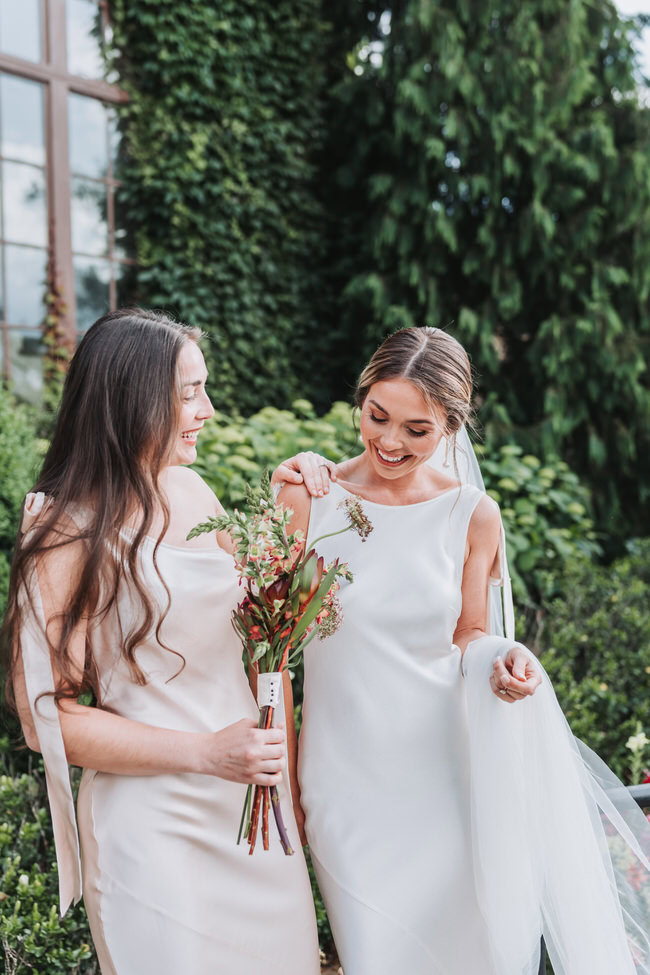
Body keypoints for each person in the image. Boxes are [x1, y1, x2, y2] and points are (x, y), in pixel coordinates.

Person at [281, 326, 650, 975]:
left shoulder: (472, 514)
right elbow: (266, 634)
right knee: (373, 954)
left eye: (417, 429)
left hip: (442, 776)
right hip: (343, 781)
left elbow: (467, 634)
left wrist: (502, 662)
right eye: (377, 416)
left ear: (452, 423)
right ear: (361, 399)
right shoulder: (311, 497)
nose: (391, 441)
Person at [2, 308, 329, 975]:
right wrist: (205, 751)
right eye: (188, 392)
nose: (206, 409)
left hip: (254, 822)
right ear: (129, 396)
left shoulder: (192, 488)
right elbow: (47, 721)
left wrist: (293, 503)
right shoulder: (62, 528)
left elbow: (263, 629)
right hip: (154, 823)